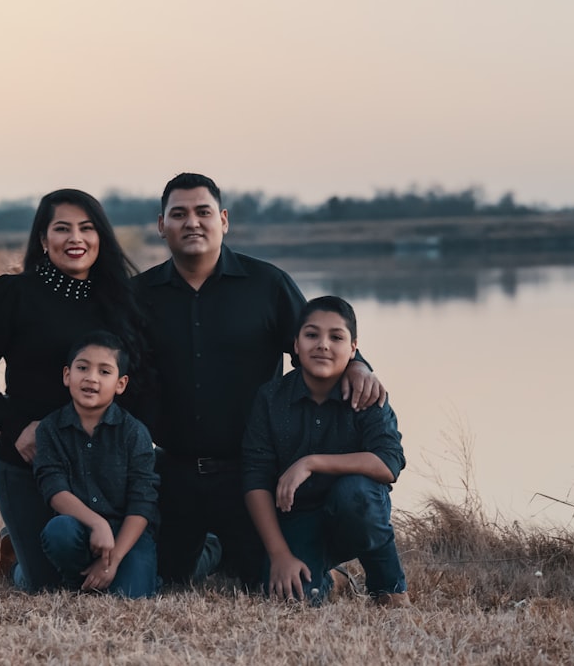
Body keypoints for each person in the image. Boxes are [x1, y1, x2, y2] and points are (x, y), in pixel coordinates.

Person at [133, 173, 387, 586]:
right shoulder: (138, 295)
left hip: (251, 475)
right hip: (173, 473)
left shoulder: (267, 284)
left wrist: (359, 366)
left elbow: (317, 342)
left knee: (279, 583)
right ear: (162, 225)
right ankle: (214, 550)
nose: (192, 222)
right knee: (161, 578)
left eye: (203, 212)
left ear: (224, 220)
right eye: (178, 214)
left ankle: (323, 571)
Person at [0, 189, 147, 591]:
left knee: (117, 579)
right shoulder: (12, 293)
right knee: (44, 586)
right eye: (62, 229)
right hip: (28, 458)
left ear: (101, 237)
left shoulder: (122, 298)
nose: (75, 238)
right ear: (43, 239)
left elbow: (139, 379)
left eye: (87, 228)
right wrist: (16, 427)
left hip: (103, 465)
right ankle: (16, 552)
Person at [242, 296, 409, 606]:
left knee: (357, 493)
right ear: (295, 344)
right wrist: (279, 555)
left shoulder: (368, 393)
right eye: (311, 335)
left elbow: (389, 463)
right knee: (291, 599)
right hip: (296, 518)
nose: (323, 345)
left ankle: (389, 588)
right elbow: (255, 478)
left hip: (353, 512)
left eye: (336, 337)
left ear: (354, 348)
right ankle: (330, 576)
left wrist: (312, 463)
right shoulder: (271, 398)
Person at [33, 330, 159, 598]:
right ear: (67, 375)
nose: (91, 378)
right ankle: (72, 576)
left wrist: (112, 560)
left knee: (132, 596)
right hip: (79, 529)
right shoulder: (49, 429)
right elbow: (53, 488)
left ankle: (206, 551)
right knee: (59, 532)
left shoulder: (134, 432)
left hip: (125, 533)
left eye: (104, 372)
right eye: (82, 368)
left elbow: (143, 502)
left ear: (120, 383)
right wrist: (98, 525)